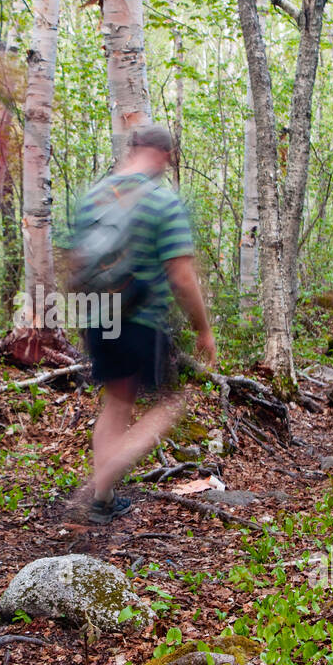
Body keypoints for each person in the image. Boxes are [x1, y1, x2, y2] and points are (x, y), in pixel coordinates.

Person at [70, 125, 215, 525]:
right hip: (140, 321)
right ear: (165, 156)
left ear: (132, 148)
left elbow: (75, 262)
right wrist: (203, 328)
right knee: (169, 406)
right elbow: (182, 276)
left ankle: (102, 500)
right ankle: (97, 482)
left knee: (116, 403)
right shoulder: (161, 201)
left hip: (98, 316)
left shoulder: (93, 197)